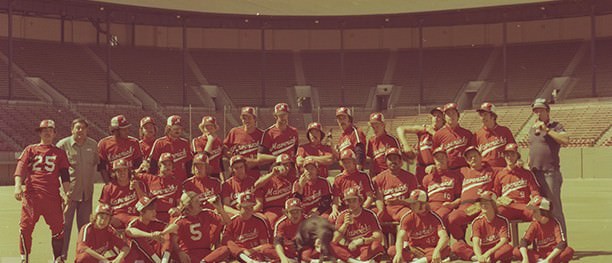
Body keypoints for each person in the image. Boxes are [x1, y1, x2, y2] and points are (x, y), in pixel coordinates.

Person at [14, 119, 71, 263]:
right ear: (40, 133)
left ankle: (57, 258)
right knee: (25, 228)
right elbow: (20, 169)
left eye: (50, 130)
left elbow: (65, 175)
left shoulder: (59, 153)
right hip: (32, 196)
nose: (47, 132)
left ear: (54, 133)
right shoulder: (30, 149)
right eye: (44, 130)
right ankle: (24, 258)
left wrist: (67, 193)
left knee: (58, 229)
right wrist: (17, 186)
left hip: (52, 197)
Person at [56, 118, 100, 260]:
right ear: (72, 129)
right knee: (65, 227)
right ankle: (61, 257)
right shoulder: (62, 145)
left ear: (87, 130)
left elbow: (94, 164)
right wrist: (62, 193)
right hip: (69, 195)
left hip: (86, 194)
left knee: (85, 229)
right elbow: (56, 170)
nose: (80, 131)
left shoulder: (93, 145)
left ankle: (82, 258)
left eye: (83, 128)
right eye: (78, 128)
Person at [528, 98, 570, 236]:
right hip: (535, 174)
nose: (538, 113)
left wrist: (546, 130)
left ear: (547, 111)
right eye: (536, 111)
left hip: (549, 173)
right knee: (539, 209)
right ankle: (545, 241)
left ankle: (562, 241)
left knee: (554, 209)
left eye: (541, 110)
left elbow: (565, 141)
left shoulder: (555, 126)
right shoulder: (532, 128)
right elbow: (533, 148)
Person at [447, 146, 498, 241]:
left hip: (482, 207)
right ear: (466, 160)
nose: (473, 158)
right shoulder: (462, 171)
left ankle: (484, 246)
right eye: (470, 157)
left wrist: (520, 164)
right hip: (465, 208)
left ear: (481, 156)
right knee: (452, 219)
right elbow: (445, 172)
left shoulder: (491, 170)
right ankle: (462, 243)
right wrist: (432, 167)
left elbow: (507, 169)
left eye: (475, 156)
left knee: (483, 221)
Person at [168, 191, 231, 263]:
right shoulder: (181, 220)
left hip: (206, 254)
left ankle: (204, 262)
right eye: (196, 201)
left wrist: (219, 208)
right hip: (189, 255)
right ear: (189, 206)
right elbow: (173, 240)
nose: (200, 203)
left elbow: (227, 222)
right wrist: (180, 252)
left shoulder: (207, 214)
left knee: (225, 249)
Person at [389, 189, 450, 263]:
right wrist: (398, 253)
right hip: (414, 250)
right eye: (411, 203)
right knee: (392, 250)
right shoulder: (407, 217)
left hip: (430, 249)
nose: (411, 205)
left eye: (414, 203)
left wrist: (437, 251)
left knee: (445, 250)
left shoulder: (434, 217)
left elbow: (444, 237)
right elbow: (400, 237)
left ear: (423, 205)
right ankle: (424, 261)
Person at [451, 191, 514, 263]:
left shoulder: (502, 220)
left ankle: (488, 260)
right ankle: (478, 260)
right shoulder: (477, 221)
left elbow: (503, 241)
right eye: (482, 203)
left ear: (493, 204)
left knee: (508, 248)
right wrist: (479, 256)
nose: (483, 205)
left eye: (486, 203)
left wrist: (488, 253)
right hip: (482, 251)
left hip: (495, 251)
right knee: (457, 246)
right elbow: (476, 243)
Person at [215, 192, 278, 262]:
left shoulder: (260, 221)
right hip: (239, 256)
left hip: (256, 254)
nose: (249, 210)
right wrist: (242, 252)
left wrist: (250, 251)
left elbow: (264, 245)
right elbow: (228, 243)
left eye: (251, 207)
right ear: (238, 207)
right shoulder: (231, 222)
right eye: (246, 207)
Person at [514, 197, 574, 263]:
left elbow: (561, 243)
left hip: (552, 254)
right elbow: (524, 242)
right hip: (539, 255)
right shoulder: (535, 224)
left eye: (535, 211)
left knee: (568, 251)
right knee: (516, 251)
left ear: (543, 212)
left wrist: (548, 259)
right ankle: (541, 261)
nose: (532, 213)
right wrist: (525, 259)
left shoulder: (554, 223)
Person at [331, 187, 384, 262]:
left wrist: (362, 241)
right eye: (349, 201)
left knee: (377, 245)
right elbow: (335, 240)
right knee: (331, 245)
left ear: (360, 201)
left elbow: (378, 236)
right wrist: (345, 225)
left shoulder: (369, 214)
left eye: (354, 200)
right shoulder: (343, 215)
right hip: (351, 248)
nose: (351, 203)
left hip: (366, 247)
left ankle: (354, 261)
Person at [396, 106, 446, 184]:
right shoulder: (423, 130)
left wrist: (433, 133)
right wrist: (406, 145)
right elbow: (400, 129)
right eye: (434, 116)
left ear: (443, 119)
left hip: (436, 168)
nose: (436, 118)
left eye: (439, 116)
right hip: (421, 168)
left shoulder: (444, 133)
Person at [372, 147, 420, 226]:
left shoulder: (410, 177)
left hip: (402, 208)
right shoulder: (380, 178)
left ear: (400, 161)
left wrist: (399, 202)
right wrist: (380, 209)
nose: (393, 161)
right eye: (390, 159)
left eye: (395, 158)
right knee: (371, 215)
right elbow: (379, 198)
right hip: (386, 209)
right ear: (386, 162)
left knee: (409, 217)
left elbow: (414, 200)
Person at [494, 143, 541, 222]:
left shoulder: (526, 173)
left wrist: (535, 198)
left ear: (517, 156)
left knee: (539, 215)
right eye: (507, 155)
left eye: (512, 154)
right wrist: (497, 200)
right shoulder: (500, 174)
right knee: (496, 214)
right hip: (507, 207)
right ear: (504, 156)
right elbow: (496, 193)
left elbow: (534, 191)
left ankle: (531, 234)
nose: (509, 157)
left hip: (524, 207)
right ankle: (504, 234)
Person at [134, 153, 182, 223]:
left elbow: (179, 202)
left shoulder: (176, 182)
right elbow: (131, 174)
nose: (167, 167)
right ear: (159, 165)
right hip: (153, 215)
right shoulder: (150, 178)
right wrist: (139, 169)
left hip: (170, 215)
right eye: (165, 164)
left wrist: (177, 209)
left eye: (169, 165)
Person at [330, 149, 376, 222]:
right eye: (344, 163)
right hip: (346, 209)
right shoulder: (338, 179)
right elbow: (335, 200)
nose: (346, 165)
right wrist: (334, 210)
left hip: (362, 207)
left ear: (354, 162)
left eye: (348, 162)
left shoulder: (363, 176)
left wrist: (361, 209)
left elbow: (370, 197)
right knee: (332, 219)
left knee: (374, 214)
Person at [99, 159, 145, 230]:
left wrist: (137, 188)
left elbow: (145, 203)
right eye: (119, 171)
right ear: (114, 173)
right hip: (117, 220)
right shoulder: (108, 188)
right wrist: (111, 218)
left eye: (124, 170)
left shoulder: (137, 184)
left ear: (128, 171)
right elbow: (103, 209)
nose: (122, 173)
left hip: (135, 219)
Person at [125, 196, 173, 263]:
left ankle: (165, 260)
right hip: (137, 259)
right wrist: (150, 235)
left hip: (154, 259)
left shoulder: (154, 222)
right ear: (141, 212)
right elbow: (129, 231)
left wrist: (163, 232)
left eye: (154, 208)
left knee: (168, 234)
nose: (154, 212)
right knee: (139, 238)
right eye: (150, 209)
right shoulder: (135, 223)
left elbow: (170, 228)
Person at [98, 115, 144, 183]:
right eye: (123, 129)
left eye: (127, 128)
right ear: (115, 131)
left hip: (131, 180)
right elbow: (102, 167)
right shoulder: (104, 144)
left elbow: (138, 164)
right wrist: (108, 183)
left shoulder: (134, 142)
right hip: (113, 181)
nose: (127, 131)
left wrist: (134, 179)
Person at [421, 147, 462, 222]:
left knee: (437, 217)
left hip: (445, 206)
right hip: (431, 207)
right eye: (437, 158)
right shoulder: (427, 178)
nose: (440, 160)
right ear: (434, 160)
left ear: (447, 159)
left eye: (442, 157)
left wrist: (452, 204)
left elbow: (459, 197)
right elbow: (422, 198)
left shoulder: (454, 176)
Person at [148, 115, 193, 182]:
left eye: (180, 128)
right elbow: (153, 164)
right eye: (175, 128)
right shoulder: (160, 142)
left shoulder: (185, 143)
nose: (178, 131)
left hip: (181, 181)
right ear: (168, 128)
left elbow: (189, 164)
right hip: (164, 181)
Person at [224, 106, 264, 179]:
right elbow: (224, 148)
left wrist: (256, 161)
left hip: (254, 171)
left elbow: (266, 154)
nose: (246, 120)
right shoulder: (234, 132)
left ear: (255, 119)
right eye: (244, 118)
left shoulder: (262, 135)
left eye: (249, 118)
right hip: (237, 171)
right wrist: (232, 157)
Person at [255, 154, 295, 225]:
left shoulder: (291, 178)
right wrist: (272, 174)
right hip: (271, 210)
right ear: (277, 165)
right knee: (272, 220)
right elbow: (256, 185)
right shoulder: (268, 178)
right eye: (285, 165)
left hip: (286, 209)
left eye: (289, 165)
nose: (288, 168)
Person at [473, 102, 516, 168]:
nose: (483, 118)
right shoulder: (477, 134)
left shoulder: (504, 131)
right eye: (481, 115)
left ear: (493, 116)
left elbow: (514, 150)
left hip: (502, 169)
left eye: (485, 114)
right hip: (485, 171)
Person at [432, 103, 473, 170]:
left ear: (458, 115)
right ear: (444, 117)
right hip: (448, 170)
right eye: (448, 114)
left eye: (453, 113)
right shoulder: (438, 135)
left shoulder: (467, 133)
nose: (451, 116)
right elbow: (434, 154)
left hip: (465, 169)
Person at [366, 112, 401, 177]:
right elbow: (371, 159)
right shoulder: (371, 140)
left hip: (389, 174)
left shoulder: (391, 139)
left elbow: (399, 160)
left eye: (377, 126)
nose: (375, 129)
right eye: (373, 127)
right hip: (376, 175)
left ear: (383, 125)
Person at [274, 198, 306, 263]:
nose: (295, 215)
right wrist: (283, 258)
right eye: (292, 212)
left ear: (302, 211)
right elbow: (277, 242)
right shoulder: (281, 223)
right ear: (286, 213)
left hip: (304, 252)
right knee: (266, 249)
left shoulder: (307, 221)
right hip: (288, 252)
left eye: (297, 211)